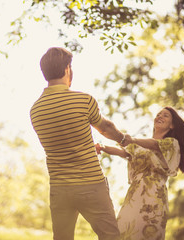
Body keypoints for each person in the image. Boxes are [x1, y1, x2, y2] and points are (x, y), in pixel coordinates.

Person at [30, 47, 128, 240]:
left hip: (59, 188)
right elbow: (105, 128)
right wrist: (124, 140)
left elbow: (60, 139)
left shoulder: (36, 110)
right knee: (110, 236)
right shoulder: (83, 100)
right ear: (68, 69)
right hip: (91, 183)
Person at [95, 107, 184, 240]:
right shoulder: (140, 145)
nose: (160, 116)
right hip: (134, 196)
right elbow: (124, 152)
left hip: (153, 198)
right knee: (122, 233)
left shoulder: (171, 144)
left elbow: (155, 145)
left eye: (165, 115)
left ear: (172, 125)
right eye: (158, 114)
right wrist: (103, 147)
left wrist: (133, 140)